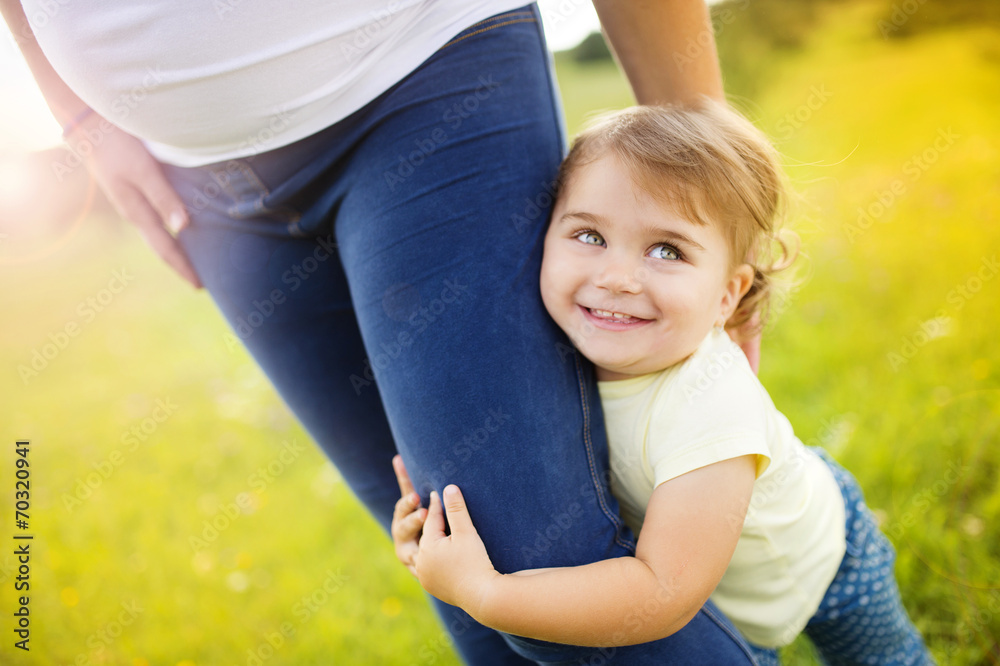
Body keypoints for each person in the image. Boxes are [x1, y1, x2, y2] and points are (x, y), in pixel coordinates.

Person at [1, 0, 761, 663]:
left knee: (519, 564)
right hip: (200, 184)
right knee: (439, 550)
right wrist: (78, 115)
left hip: (428, 84)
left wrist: (718, 208)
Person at [391, 101, 935, 665]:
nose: (618, 278)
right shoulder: (545, 354)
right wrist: (435, 532)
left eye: (666, 250)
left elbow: (664, 592)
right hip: (728, 605)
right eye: (590, 236)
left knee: (887, 660)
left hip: (825, 559)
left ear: (727, 294)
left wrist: (486, 593)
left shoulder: (711, 406)